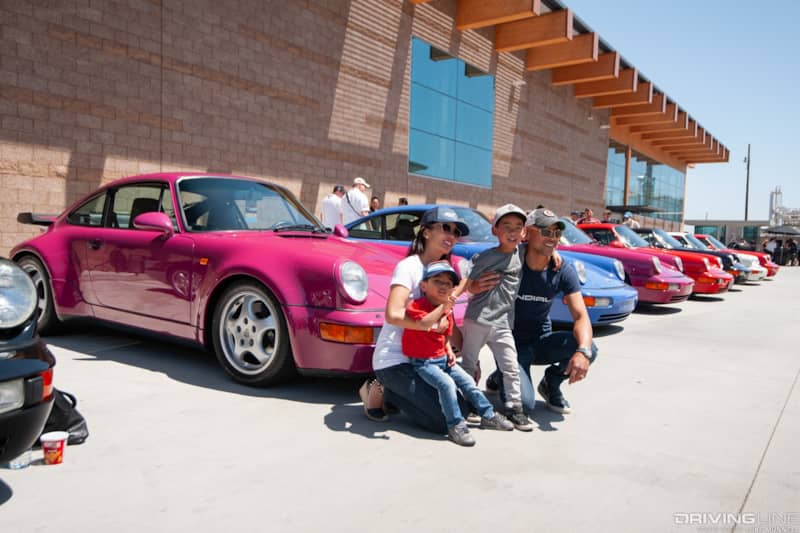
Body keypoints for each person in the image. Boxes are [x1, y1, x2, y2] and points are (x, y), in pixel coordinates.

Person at [361, 206, 497, 433]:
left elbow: (446, 316)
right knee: (444, 422)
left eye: (455, 231)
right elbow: (392, 314)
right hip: (395, 360)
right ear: (426, 232)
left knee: (461, 411)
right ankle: (383, 387)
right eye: (445, 228)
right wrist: (430, 326)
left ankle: (401, 394)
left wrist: (454, 351)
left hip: (427, 359)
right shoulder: (409, 267)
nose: (451, 235)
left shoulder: (447, 271)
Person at [486, 208, 598, 415]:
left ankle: (550, 383)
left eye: (557, 234)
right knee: (525, 406)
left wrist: (583, 351)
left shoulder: (562, 269)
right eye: (546, 232)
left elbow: (581, 316)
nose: (553, 238)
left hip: (540, 341)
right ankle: (500, 374)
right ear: (527, 233)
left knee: (589, 348)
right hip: (510, 345)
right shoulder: (508, 261)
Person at [403, 260, 513, 446]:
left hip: (442, 359)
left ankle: (488, 414)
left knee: (468, 382)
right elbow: (426, 323)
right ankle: (456, 426)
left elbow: (445, 333)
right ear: (424, 285)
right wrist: (445, 307)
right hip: (423, 362)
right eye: (437, 281)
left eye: (448, 284)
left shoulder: (446, 309)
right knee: (446, 385)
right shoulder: (417, 306)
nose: (444, 286)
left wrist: (448, 350)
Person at [456, 204, 533, 431]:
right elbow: (466, 281)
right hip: (477, 319)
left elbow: (543, 248)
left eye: (518, 227)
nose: (512, 231)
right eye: (506, 226)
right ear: (495, 231)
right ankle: (468, 402)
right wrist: (474, 286)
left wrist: (555, 253)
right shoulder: (485, 257)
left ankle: (514, 407)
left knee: (509, 364)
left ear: (524, 233)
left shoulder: (522, 253)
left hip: (502, 322)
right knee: (469, 363)